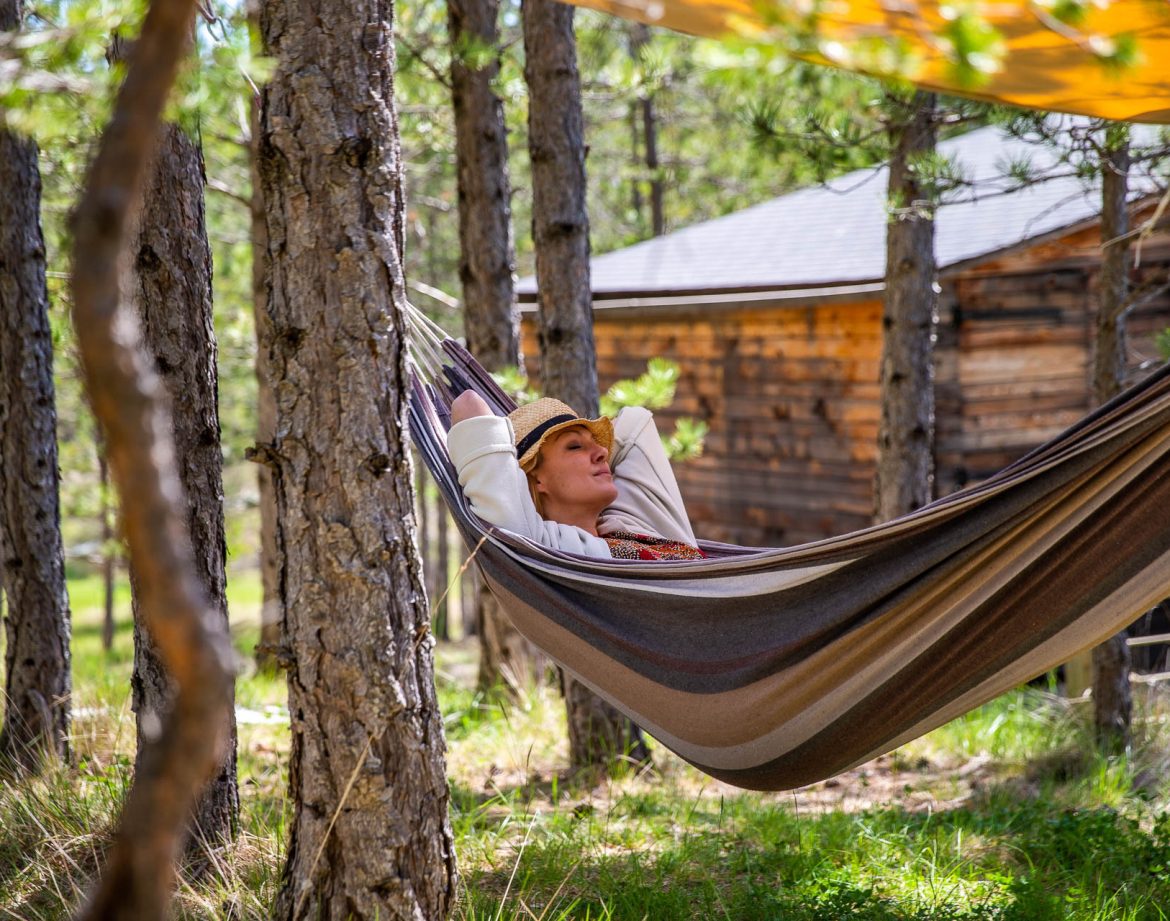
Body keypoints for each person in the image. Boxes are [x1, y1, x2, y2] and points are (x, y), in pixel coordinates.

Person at [447, 390, 704, 561]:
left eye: (597, 443)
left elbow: (636, 422)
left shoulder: (627, 524)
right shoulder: (538, 544)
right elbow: (469, 403)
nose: (603, 452)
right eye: (574, 446)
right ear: (537, 480)